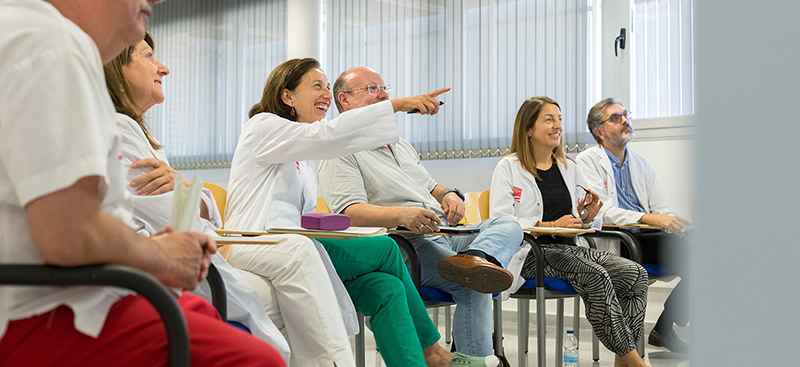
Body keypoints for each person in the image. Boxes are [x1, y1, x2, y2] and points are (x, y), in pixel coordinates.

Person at [0, 0, 282, 365]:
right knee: (257, 360)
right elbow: (68, 235)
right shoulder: (53, 44)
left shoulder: (23, 35)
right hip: (43, 313)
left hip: (52, 293)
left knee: (214, 317)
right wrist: (162, 256)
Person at [225, 58, 499, 367]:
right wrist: (396, 104)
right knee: (385, 247)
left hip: (291, 238)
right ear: (287, 96)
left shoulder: (300, 149)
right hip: (256, 240)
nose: (327, 94)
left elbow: (304, 207)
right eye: (317, 86)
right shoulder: (264, 127)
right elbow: (329, 135)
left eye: (328, 87)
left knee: (388, 288)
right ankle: (434, 354)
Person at [104, 31, 312, 363]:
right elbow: (182, 220)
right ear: (115, 68)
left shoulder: (136, 133)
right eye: (147, 56)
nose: (164, 68)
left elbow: (208, 212)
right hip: (167, 276)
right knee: (281, 314)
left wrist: (186, 189)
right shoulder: (116, 130)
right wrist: (189, 194)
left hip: (184, 265)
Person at [319, 67, 523, 359]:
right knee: (475, 286)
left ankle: (476, 260)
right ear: (346, 100)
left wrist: (449, 194)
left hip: (443, 233)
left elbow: (430, 187)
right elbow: (348, 212)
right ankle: (473, 276)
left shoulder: (400, 144)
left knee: (509, 223)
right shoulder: (340, 148)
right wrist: (402, 215)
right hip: (407, 243)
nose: (385, 94)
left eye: (384, 87)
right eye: (373, 89)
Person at [490, 96, 650, 367]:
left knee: (636, 275)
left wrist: (586, 217)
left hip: (568, 250)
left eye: (560, 119)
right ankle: (634, 362)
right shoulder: (509, 167)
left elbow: (580, 218)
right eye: (549, 119)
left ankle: (623, 361)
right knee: (596, 276)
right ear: (528, 128)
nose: (558, 126)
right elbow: (501, 222)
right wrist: (551, 226)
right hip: (531, 254)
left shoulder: (568, 167)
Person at [577, 98, 691, 353]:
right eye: (615, 118)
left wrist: (675, 223)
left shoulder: (641, 163)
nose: (625, 120)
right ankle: (666, 329)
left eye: (626, 114)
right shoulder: (586, 161)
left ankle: (665, 327)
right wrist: (651, 219)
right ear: (599, 131)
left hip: (647, 238)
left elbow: (661, 209)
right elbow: (602, 211)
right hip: (620, 240)